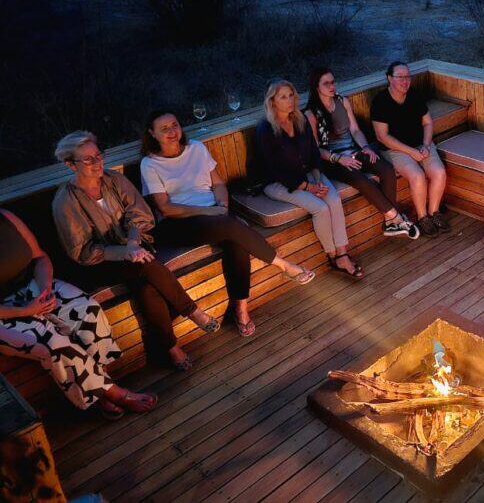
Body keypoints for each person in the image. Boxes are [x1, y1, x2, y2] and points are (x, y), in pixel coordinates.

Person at [52, 131, 220, 371]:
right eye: (88, 160)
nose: (98, 162)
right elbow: (83, 251)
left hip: (134, 249)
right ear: (71, 165)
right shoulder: (65, 201)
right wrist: (124, 252)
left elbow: (140, 214)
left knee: (145, 283)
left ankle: (171, 347)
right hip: (99, 263)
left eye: (99, 155)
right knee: (145, 264)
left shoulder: (113, 179)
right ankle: (192, 311)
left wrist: (132, 242)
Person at [141, 111, 316, 339]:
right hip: (180, 222)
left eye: (174, 125)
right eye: (164, 129)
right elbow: (165, 207)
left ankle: (241, 309)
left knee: (236, 241)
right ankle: (284, 265)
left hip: (216, 213)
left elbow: (218, 184)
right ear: (152, 133)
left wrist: (222, 205)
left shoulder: (196, 148)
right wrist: (211, 211)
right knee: (232, 227)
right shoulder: (150, 164)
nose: (172, 131)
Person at [1, 208, 156, 418]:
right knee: (54, 344)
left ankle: (100, 391)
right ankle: (117, 394)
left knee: (89, 311)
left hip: (34, 286)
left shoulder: (6, 217)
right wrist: (26, 311)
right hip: (4, 313)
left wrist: (45, 287)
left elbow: (39, 257)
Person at [256, 79, 364, 279]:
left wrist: (317, 178)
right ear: (272, 102)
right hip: (279, 182)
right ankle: (333, 256)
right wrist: (308, 187)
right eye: (283, 97)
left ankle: (343, 253)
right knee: (320, 208)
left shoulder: (300, 120)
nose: (289, 100)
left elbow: (314, 152)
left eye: (291, 95)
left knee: (334, 199)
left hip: (307, 174)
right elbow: (276, 169)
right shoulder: (266, 129)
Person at [304, 67, 419, 240]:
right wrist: (340, 159)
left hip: (354, 150)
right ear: (316, 87)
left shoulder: (342, 101)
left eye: (333, 82)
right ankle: (397, 218)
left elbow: (355, 130)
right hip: (333, 160)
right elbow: (315, 149)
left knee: (387, 170)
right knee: (361, 179)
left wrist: (365, 147)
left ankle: (390, 223)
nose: (332, 86)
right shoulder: (311, 113)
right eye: (326, 83)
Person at [371, 62, 448, 238]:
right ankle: (422, 218)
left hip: (421, 145)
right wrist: (411, 152)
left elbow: (427, 122)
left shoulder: (414, 95)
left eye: (407, 77)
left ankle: (434, 213)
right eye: (400, 77)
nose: (405, 81)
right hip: (395, 149)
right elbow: (382, 137)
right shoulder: (380, 101)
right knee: (417, 176)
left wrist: (426, 144)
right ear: (389, 78)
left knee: (439, 172)